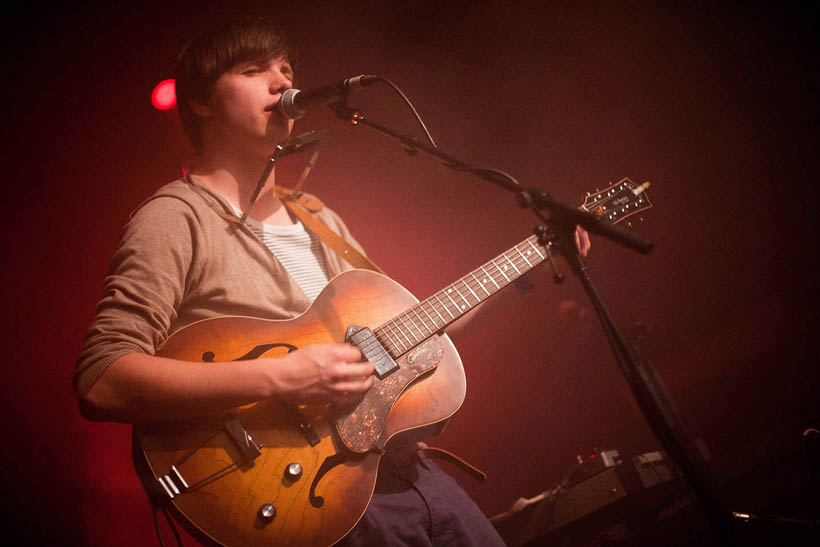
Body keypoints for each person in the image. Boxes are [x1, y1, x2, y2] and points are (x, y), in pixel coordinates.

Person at [74, 16, 589, 546]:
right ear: (202, 101)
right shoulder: (176, 217)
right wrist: (282, 377)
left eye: (286, 68)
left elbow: (411, 335)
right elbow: (103, 379)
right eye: (254, 70)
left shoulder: (318, 216)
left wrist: (535, 263)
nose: (281, 82)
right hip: (304, 499)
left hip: (409, 476)